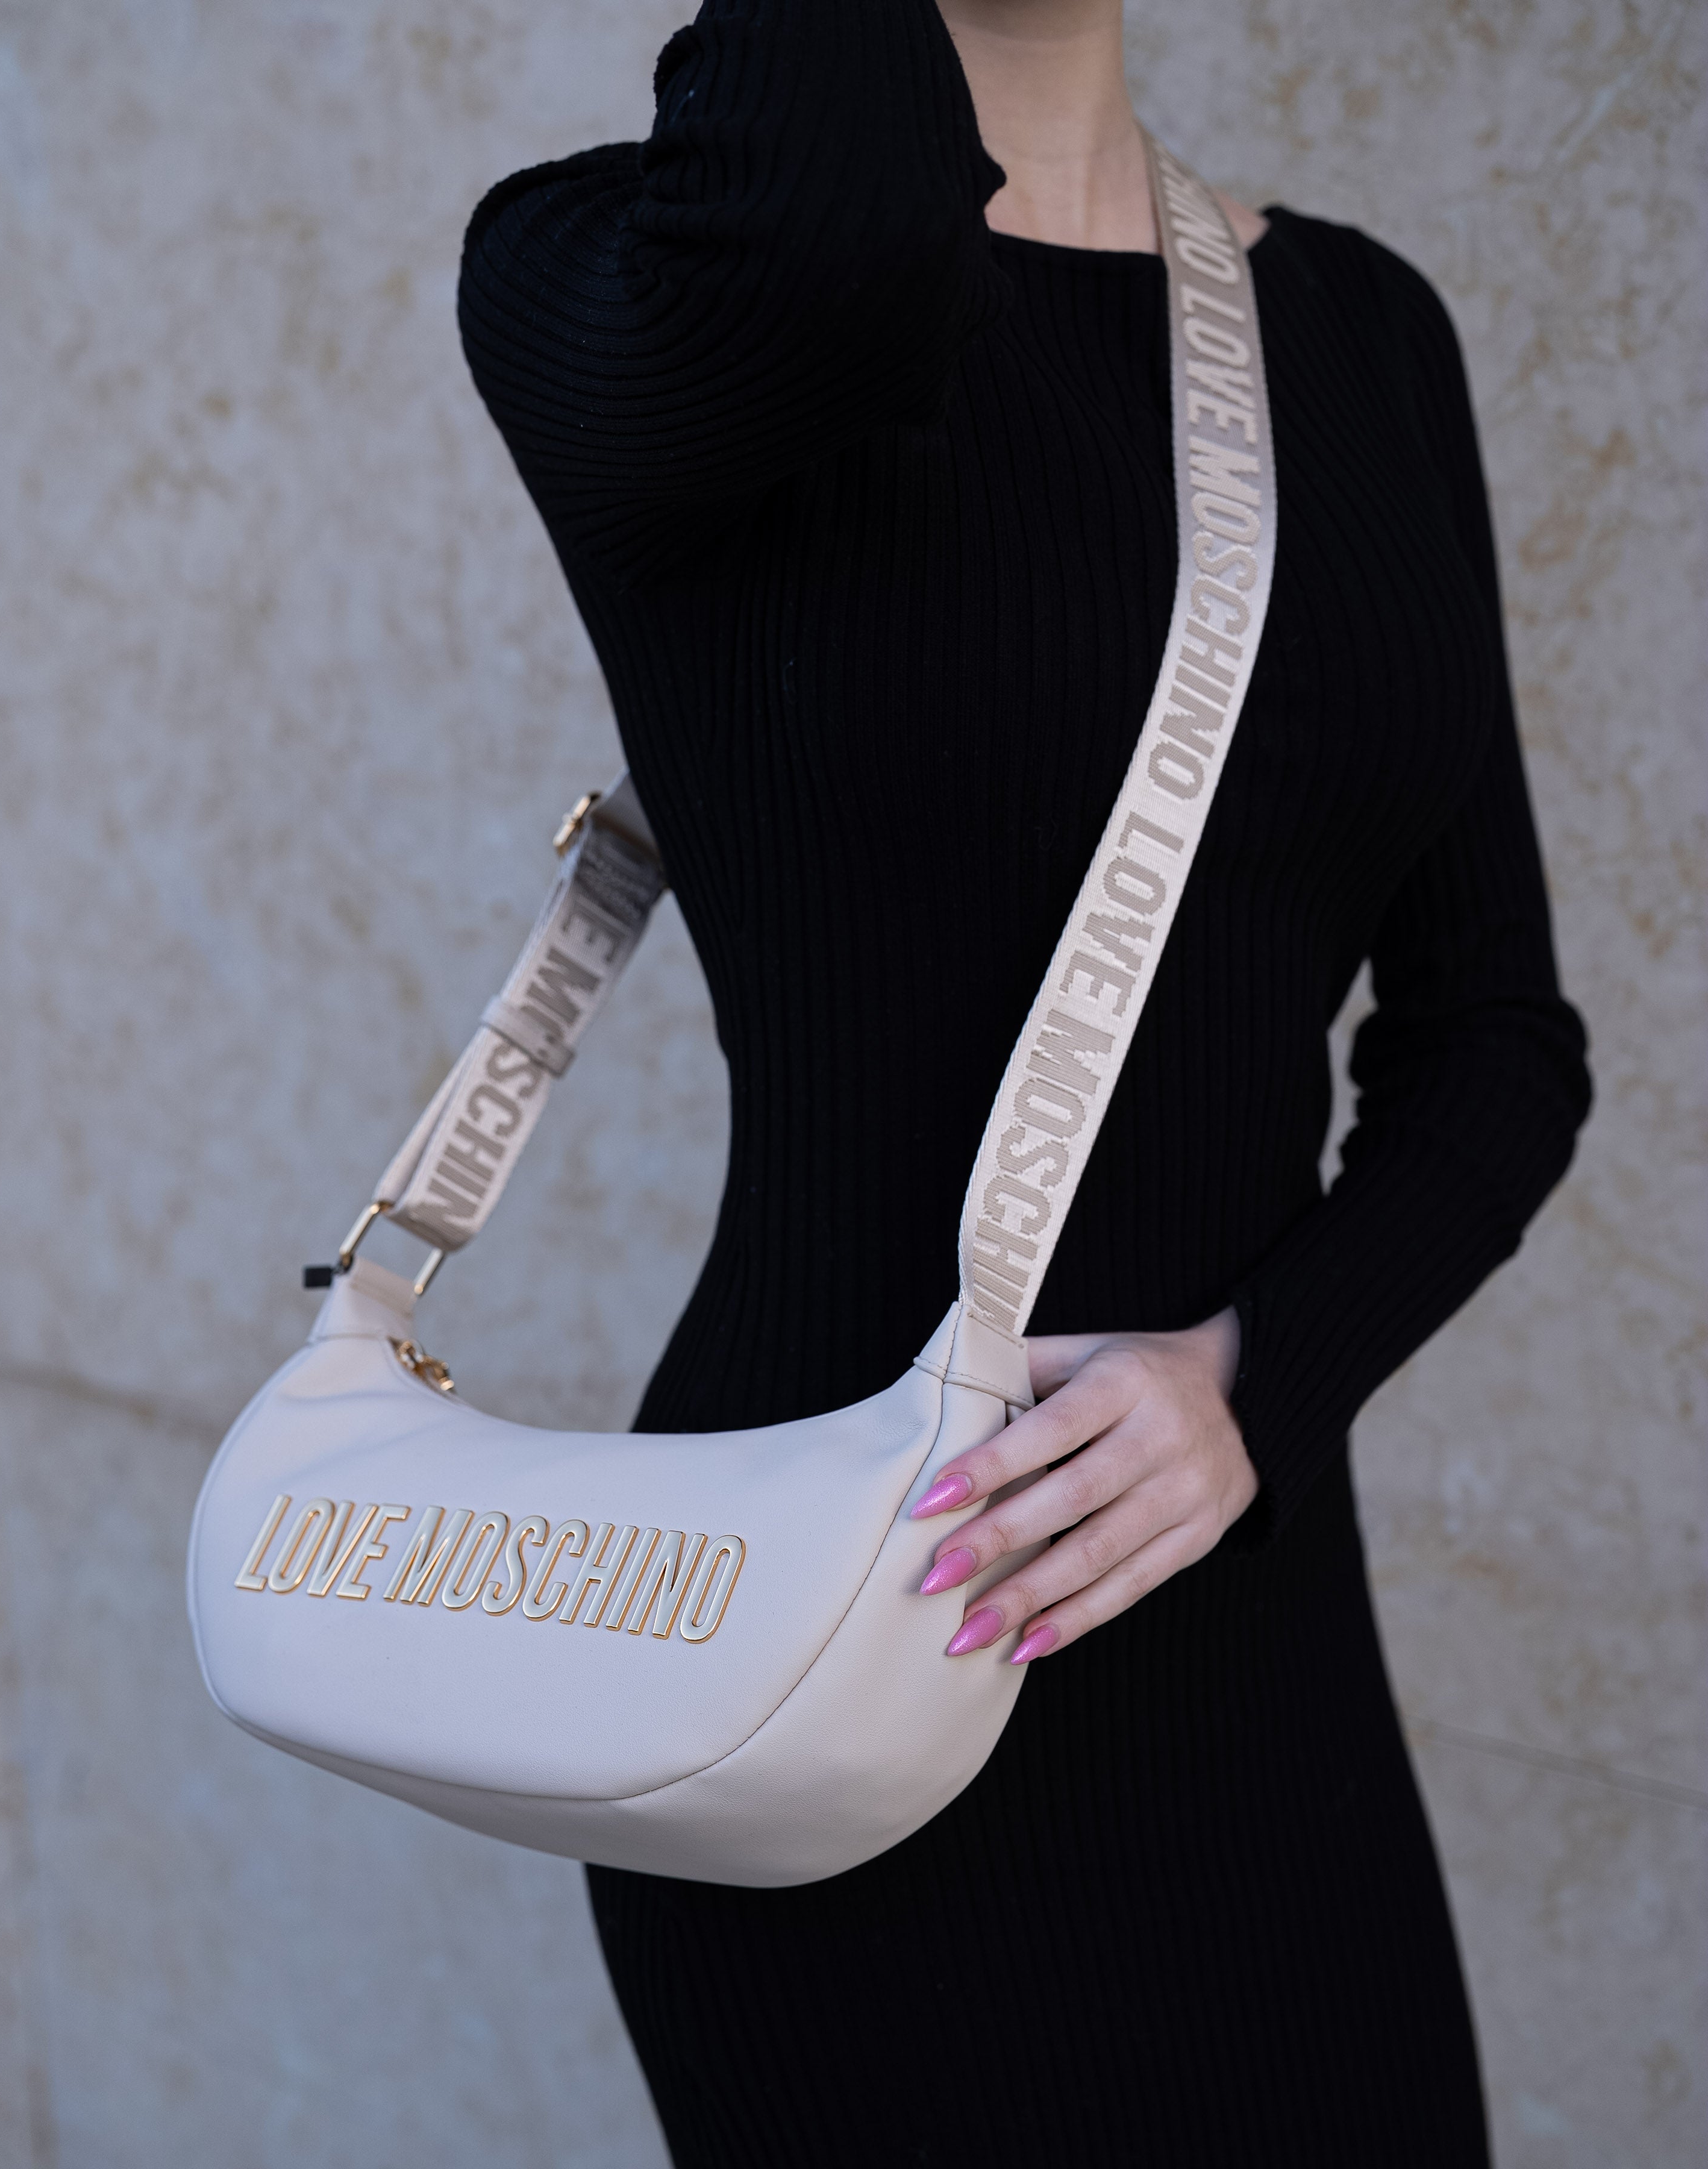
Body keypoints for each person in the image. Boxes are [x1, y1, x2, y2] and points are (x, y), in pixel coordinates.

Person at [456, 1, 1591, 2160]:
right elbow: (833, 236)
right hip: (841, 1654)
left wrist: (1253, 1379)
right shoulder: (610, 278)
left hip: (1256, 1656)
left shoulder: (1360, 332)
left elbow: (1494, 1042)